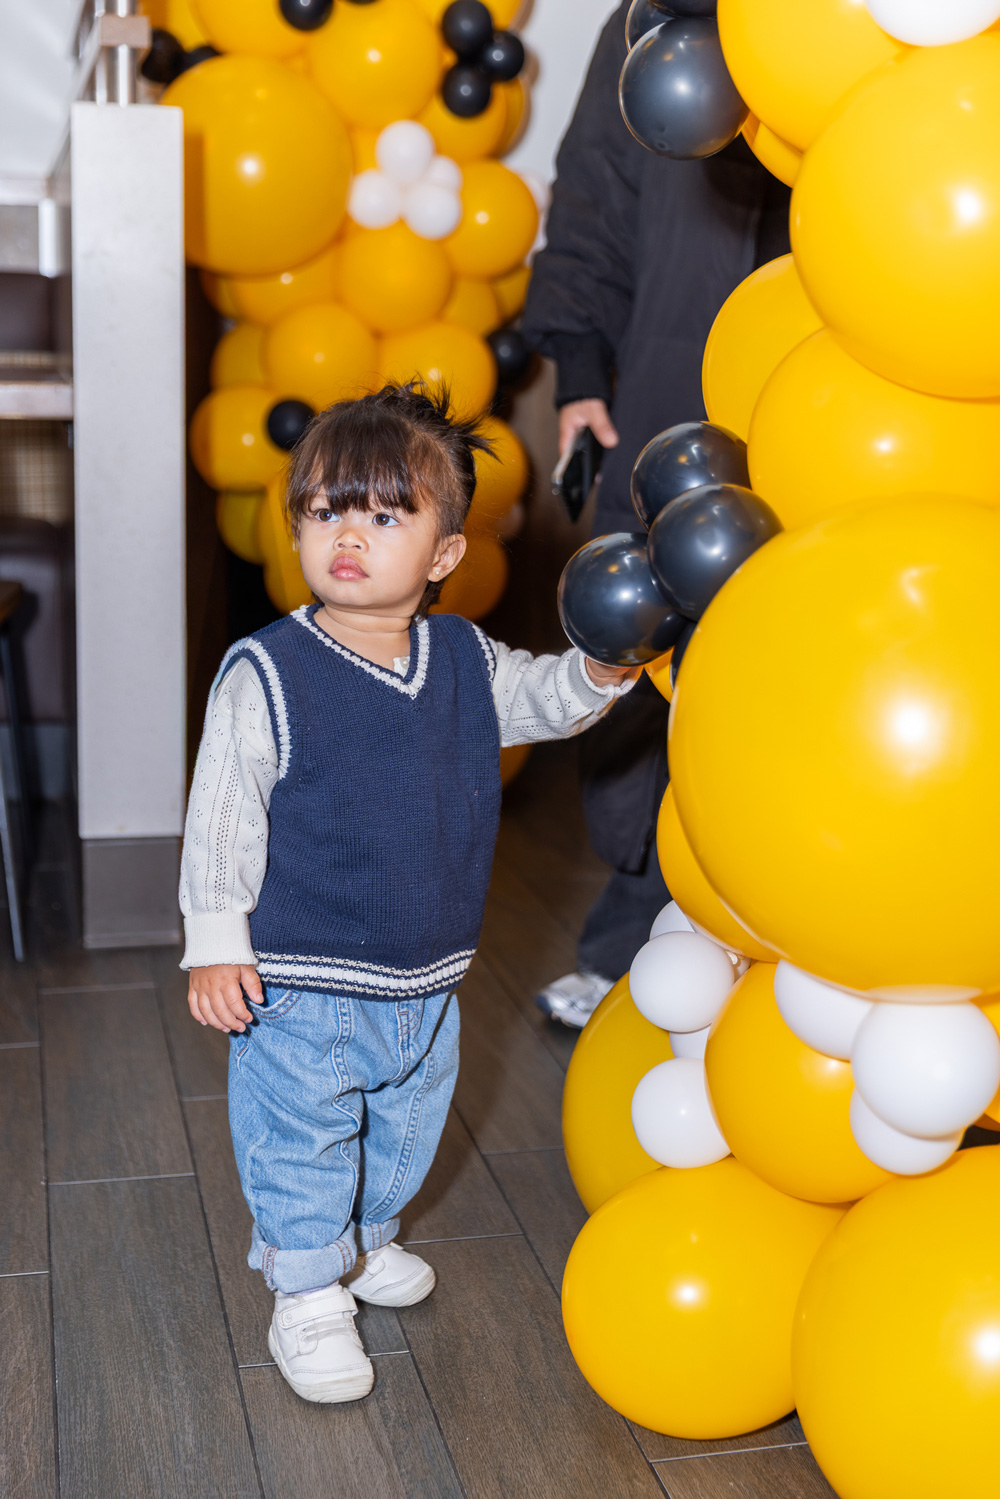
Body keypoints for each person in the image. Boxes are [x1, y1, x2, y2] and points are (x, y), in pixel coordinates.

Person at [179, 384, 635, 1406]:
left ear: (440, 556)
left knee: (407, 1126)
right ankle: (305, 1291)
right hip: (298, 978)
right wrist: (217, 936)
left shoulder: (464, 659)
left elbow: (546, 699)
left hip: (427, 975)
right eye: (327, 508)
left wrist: (605, 668)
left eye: (386, 514)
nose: (350, 533)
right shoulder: (269, 670)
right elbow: (221, 813)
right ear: (295, 523)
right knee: (302, 1134)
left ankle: (359, 1240)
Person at [521, 0, 791, 1027]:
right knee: (652, 656)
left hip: (857, 392)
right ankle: (634, 934)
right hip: (677, 390)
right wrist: (580, 365)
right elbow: (592, 188)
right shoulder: (649, 19)